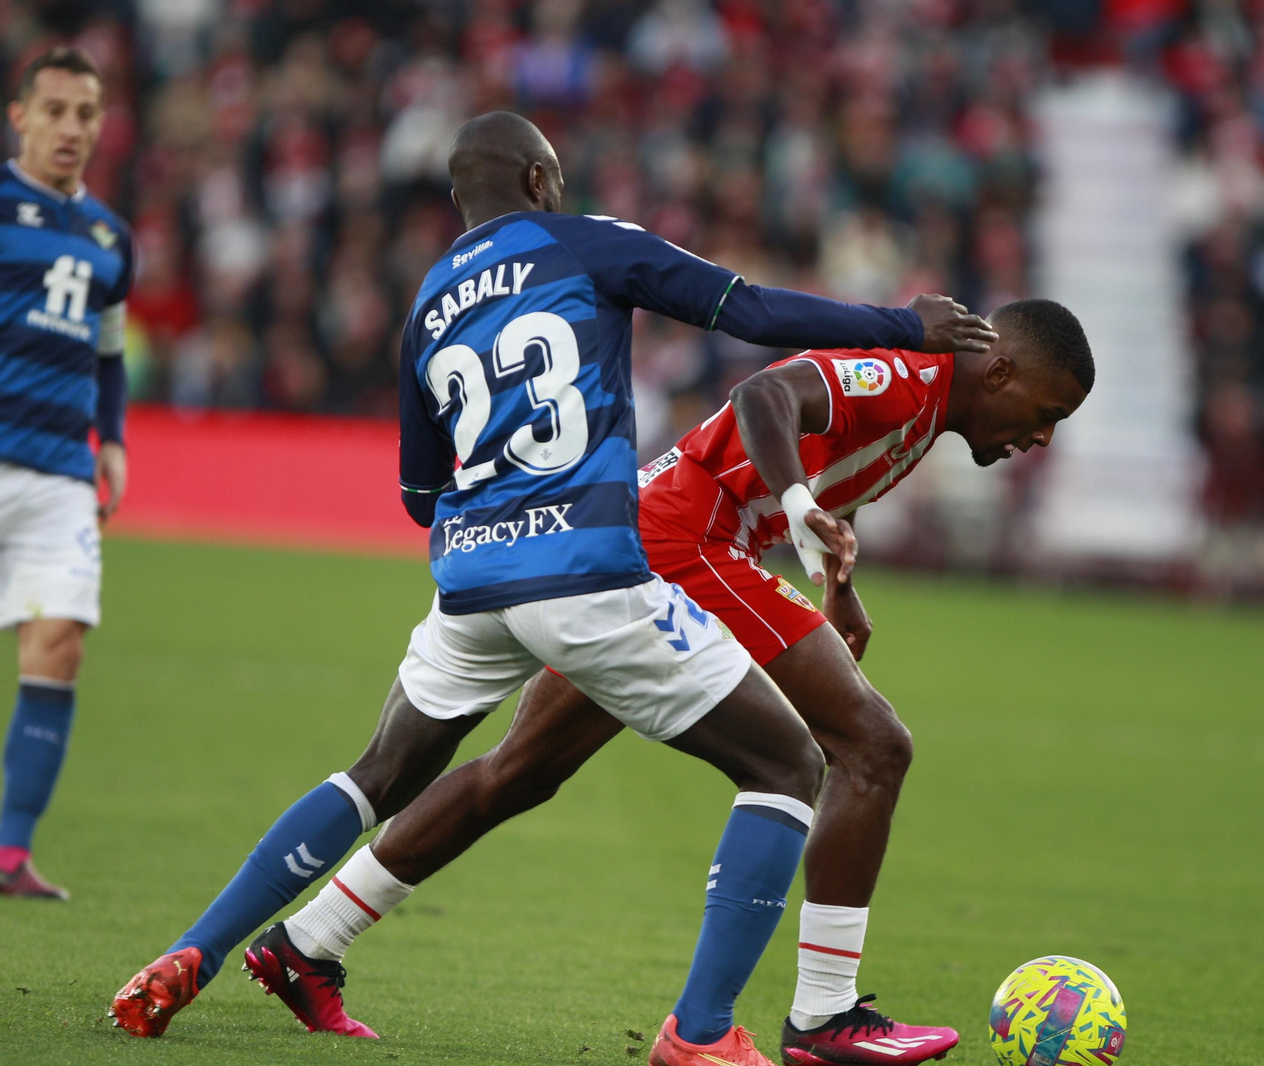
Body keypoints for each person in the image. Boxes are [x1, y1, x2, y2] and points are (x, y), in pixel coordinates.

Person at [109, 111, 996, 1066]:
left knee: (377, 775)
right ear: (539, 180)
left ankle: (194, 949)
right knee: (785, 766)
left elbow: (418, 492)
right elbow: (748, 313)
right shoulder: (587, 243)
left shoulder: (429, 303)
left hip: (469, 580)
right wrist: (903, 325)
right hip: (583, 571)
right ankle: (702, 1035)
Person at [254, 299, 1093, 1066]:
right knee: (872, 745)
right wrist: (799, 507)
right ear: (1001, 373)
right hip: (690, 540)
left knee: (521, 770)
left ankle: (307, 942)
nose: (1042, 437)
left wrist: (835, 577)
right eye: (1047, 414)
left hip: (650, 536)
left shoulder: (927, 411)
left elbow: (820, 458)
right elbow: (769, 396)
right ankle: (824, 1016)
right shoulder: (910, 376)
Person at [0, 46, 133, 901]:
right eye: (54, 110)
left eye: (86, 113)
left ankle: (9, 856)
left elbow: (112, 354)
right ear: (20, 117)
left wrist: (112, 439)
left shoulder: (112, 237)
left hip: (56, 476)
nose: (72, 129)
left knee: (60, 645)